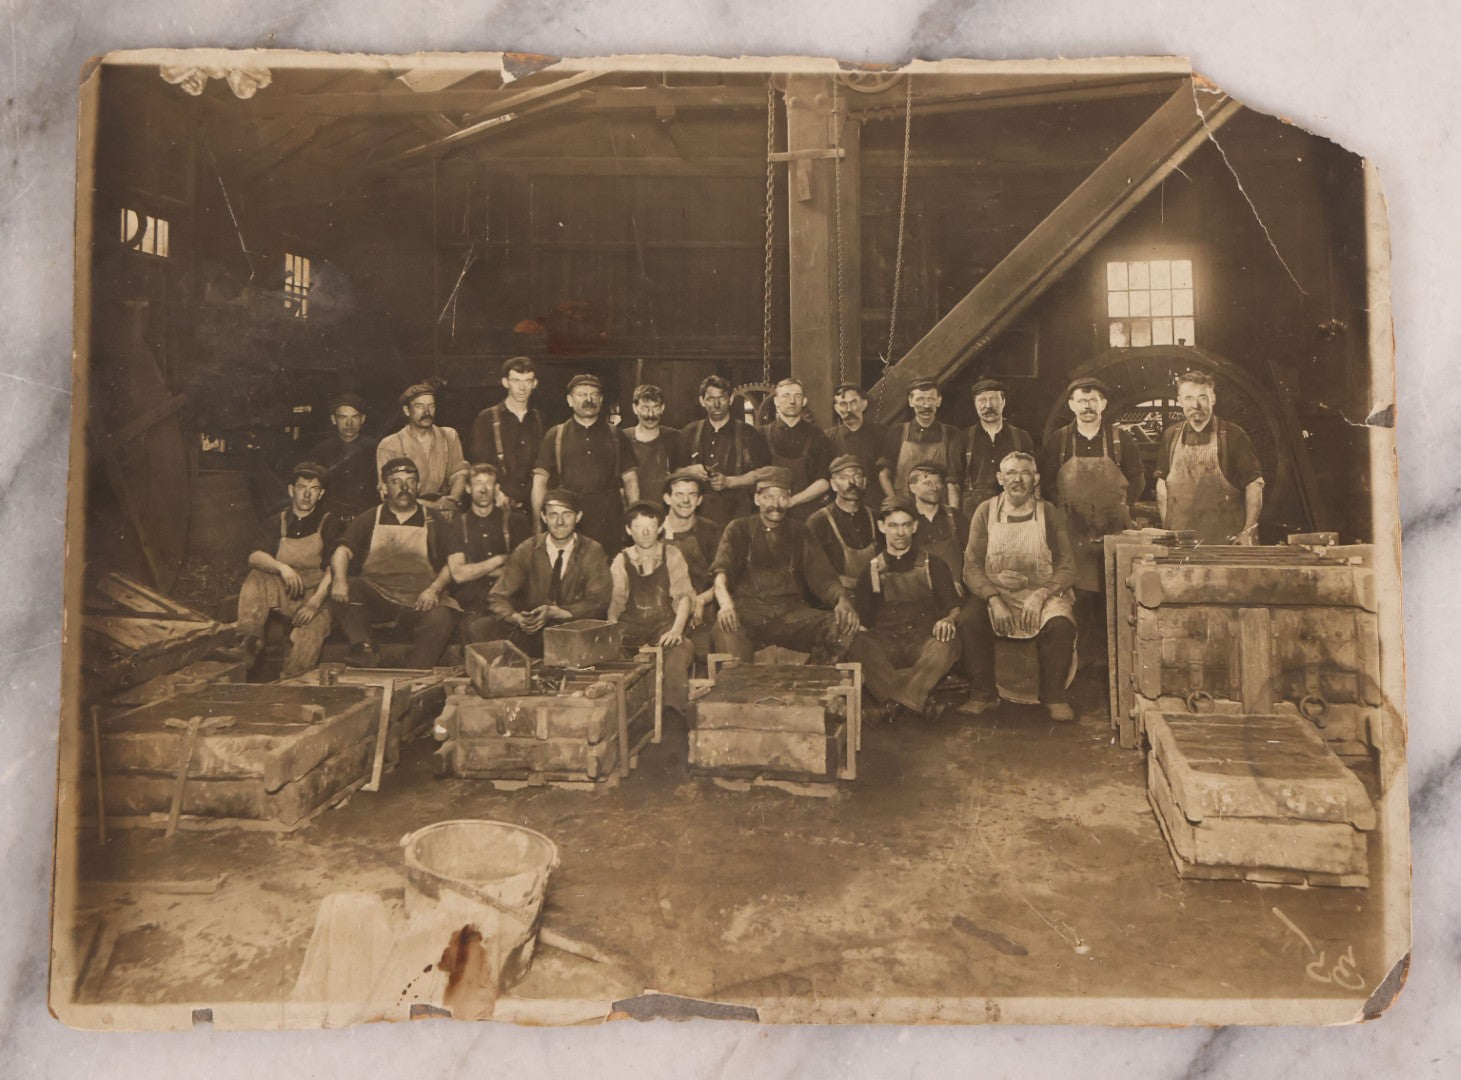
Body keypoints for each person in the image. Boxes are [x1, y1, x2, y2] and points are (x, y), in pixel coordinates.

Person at [957, 452, 1078, 722]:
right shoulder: (985, 511)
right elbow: (971, 566)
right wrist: (993, 598)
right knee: (970, 619)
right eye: (1010, 473)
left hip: (1042, 591)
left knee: (1061, 625)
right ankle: (982, 694)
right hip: (998, 592)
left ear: (1036, 478)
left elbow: (1068, 565)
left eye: (1025, 473)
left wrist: (1042, 594)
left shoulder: (1048, 513)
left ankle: (1054, 696)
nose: (1017, 479)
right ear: (1000, 478)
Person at [1040, 377, 1145, 657]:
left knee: (1114, 595)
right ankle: (1082, 660)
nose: (1088, 406)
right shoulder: (1059, 441)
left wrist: (1120, 508)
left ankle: (1112, 659)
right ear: (1072, 405)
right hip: (1072, 533)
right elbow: (1048, 484)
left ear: (1104, 404)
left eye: (1093, 399)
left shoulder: (1120, 439)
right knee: (1078, 597)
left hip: (1113, 532)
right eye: (1082, 400)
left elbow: (1137, 479)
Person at [710, 467, 860, 663]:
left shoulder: (801, 532)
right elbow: (721, 575)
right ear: (757, 499)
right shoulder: (739, 529)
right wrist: (725, 604)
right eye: (769, 497)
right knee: (725, 628)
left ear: (789, 500)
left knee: (841, 625)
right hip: (748, 615)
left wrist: (841, 600)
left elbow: (822, 577)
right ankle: (740, 692)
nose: (776, 504)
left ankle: (813, 685)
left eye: (782, 497)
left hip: (792, 616)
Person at [329, 457, 458, 669]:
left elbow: (455, 561)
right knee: (346, 585)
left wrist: (434, 589)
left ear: (418, 486)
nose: (404, 487)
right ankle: (365, 650)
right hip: (378, 597)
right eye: (396, 481)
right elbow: (341, 552)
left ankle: (415, 673)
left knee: (441, 618)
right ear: (385, 487)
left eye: (410, 481)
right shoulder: (370, 518)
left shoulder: (434, 520)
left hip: (418, 600)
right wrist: (340, 580)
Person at [847, 498, 962, 722]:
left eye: (906, 525)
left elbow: (954, 607)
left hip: (923, 641)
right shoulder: (870, 571)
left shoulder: (934, 565)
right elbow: (863, 622)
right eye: (893, 525)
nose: (900, 532)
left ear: (915, 526)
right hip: (886, 643)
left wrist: (948, 620)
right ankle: (916, 701)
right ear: (882, 527)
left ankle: (893, 704)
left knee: (950, 644)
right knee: (855, 644)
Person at [237, 462, 341, 677]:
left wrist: (314, 604)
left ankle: (291, 681)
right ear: (291, 490)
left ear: (321, 494)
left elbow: (335, 567)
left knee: (308, 637)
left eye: (314, 489)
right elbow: (254, 556)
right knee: (257, 576)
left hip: (317, 596)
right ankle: (249, 642)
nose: (307, 495)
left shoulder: (329, 522)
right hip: (286, 591)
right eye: (302, 487)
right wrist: (282, 568)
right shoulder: (277, 521)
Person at [485, 489, 613, 657]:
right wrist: (516, 618)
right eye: (553, 515)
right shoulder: (527, 549)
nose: (560, 522)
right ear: (544, 517)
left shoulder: (592, 551)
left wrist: (555, 612)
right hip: (532, 634)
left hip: (575, 634)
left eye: (567, 514)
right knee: (481, 628)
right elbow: (497, 596)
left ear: (578, 517)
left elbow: (599, 602)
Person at [532, 373, 641, 554]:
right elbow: (539, 483)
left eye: (594, 395)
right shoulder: (556, 435)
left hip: (609, 524)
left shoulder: (616, 435)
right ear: (570, 400)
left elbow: (631, 481)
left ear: (601, 399)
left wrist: (634, 520)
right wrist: (538, 524)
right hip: (568, 521)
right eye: (582, 394)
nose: (589, 399)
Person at [607, 502, 696, 718]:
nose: (646, 532)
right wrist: (611, 633)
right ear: (629, 530)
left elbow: (684, 598)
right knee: (612, 658)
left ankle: (673, 714)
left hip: (665, 629)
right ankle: (626, 715)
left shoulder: (672, 554)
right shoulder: (621, 560)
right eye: (638, 526)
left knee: (678, 652)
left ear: (660, 528)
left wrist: (676, 631)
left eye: (651, 525)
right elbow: (615, 605)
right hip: (631, 633)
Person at [1155, 370, 1264, 544]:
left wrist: (1248, 531)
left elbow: (1254, 486)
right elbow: (1162, 488)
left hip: (1226, 542)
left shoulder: (1233, 435)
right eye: (1189, 398)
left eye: (1203, 397)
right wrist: (1168, 531)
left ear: (1213, 399)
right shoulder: (1170, 435)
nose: (1195, 405)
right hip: (1183, 544)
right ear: (1180, 401)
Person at [448, 464, 532, 643]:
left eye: (489, 483)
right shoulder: (457, 526)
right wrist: (499, 560)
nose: (484, 489)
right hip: (473, 599)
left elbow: (525, 570)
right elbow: (459, 574)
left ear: (497, 488)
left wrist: (475, 569)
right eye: (478, 483)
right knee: (471, 629)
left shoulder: (516, 521)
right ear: (468, 488)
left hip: (510, 595)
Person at [681, 374, 772, 535]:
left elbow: (762, 474)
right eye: (710, 399)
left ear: (730, 399)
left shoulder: (749, 433)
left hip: (736, 515)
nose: (716, 404)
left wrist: (729, 481)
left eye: (721, 398)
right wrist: (690, 471)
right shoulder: (689, 432)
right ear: (702, 401)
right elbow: (674, 472)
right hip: (696, 515)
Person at [376, 381, 469, 519]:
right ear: (407, 410)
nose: (427, 412)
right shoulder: (389, 444)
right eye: (419, 406)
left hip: (445, 510)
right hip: (407, 513)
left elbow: (459, 473)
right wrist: (435, 507)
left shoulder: (448, 436)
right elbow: (388, 492)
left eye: (431, 406)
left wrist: (453, 500)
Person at [468, 356, 543, 518]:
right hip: (497, 505)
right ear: (505, 382)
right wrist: (495, 493)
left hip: (533, 508)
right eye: (516, 380)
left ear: (534, 384)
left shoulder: (539, 419)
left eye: (528, 381)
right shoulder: (487, 418)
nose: (522, 387)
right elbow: (478, 464)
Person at [660, 468, 721, 656]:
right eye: (679, 494)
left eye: (692, 494)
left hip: (702, 615)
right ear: (667, 498)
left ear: (700, 500)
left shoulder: (709, 530)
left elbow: (724, 577)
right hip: (663, 614)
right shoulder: (653, 532)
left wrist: (701, 600)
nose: (685, 501)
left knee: (710, 652)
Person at [878, 378, 965, 508]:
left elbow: (953, 480)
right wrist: (893, 501)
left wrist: (953, 514)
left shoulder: (950, 433)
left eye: (931, 399)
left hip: (938, 508)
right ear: (910, 401)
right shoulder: (898, 431)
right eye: (920, 400)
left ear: (939, 401)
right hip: (904, 507)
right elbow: (884, 473)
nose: (926, 405)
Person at [758, 377, 834, 522]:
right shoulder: (761, 435)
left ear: (804, 401)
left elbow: (824, 482)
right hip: (769, 512)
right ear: (776, 401)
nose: (792, 401)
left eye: (797, 395)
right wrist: (775, 502)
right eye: (786, 395)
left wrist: (792, 501)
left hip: (806, 513)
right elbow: (754, 477)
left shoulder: (818, 436)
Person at [807, 455, 879, 590]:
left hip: (874, 594)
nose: (852, 482)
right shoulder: (817, 522)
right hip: (838, 598)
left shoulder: (876, 518)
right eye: (844, 477)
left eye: (857, 476)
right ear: (833, 484)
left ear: (864, 482)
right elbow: (814, 573)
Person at [306, 392, 378, 523]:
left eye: (355, 417)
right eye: (343, 417)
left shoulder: (375, 449)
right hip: (329, 518)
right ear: (334, 420)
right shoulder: (321, 450)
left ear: (363, 419)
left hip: (365, 517)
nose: (349, 423)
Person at [963, 378, 1035, 508]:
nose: (988, 405)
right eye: (982, 400)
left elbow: (1032, 478)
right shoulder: (963, 438)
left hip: (1014, 508)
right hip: (974, 510)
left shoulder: (1021, 437)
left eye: (994, 399)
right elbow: (953, 482)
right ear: (975, 403)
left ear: (1003, 402)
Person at [623, 382, 688, 503]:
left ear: (663, 408)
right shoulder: (623, 438)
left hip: (666, 510)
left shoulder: (674, 437)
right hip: (634, 511)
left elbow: (681, 476)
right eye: (645, 408)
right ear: (634, 408)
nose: (651, 415)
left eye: (656, 407)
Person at [907, 461, 969, 585]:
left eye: (938, 482)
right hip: (922, 595)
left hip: (959, 593)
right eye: (928, 483)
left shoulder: (956, 517)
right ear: (913, 488)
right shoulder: (906, 521)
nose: (935, 488)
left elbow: (972, 559)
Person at [825, 382, 888, 483]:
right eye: (843, 404)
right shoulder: (828, 438)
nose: (849, 409)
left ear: (864, 404)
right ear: (837, 409)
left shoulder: (883, 434)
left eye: (853, 403)